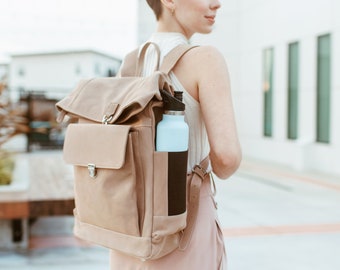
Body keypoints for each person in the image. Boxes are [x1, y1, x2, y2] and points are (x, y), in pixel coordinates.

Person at [110, 0, 242, 269]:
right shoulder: (205, 59)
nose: (217, 4)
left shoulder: (129, 63)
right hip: (184, 225)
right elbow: (226, 160)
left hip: (129, 227)